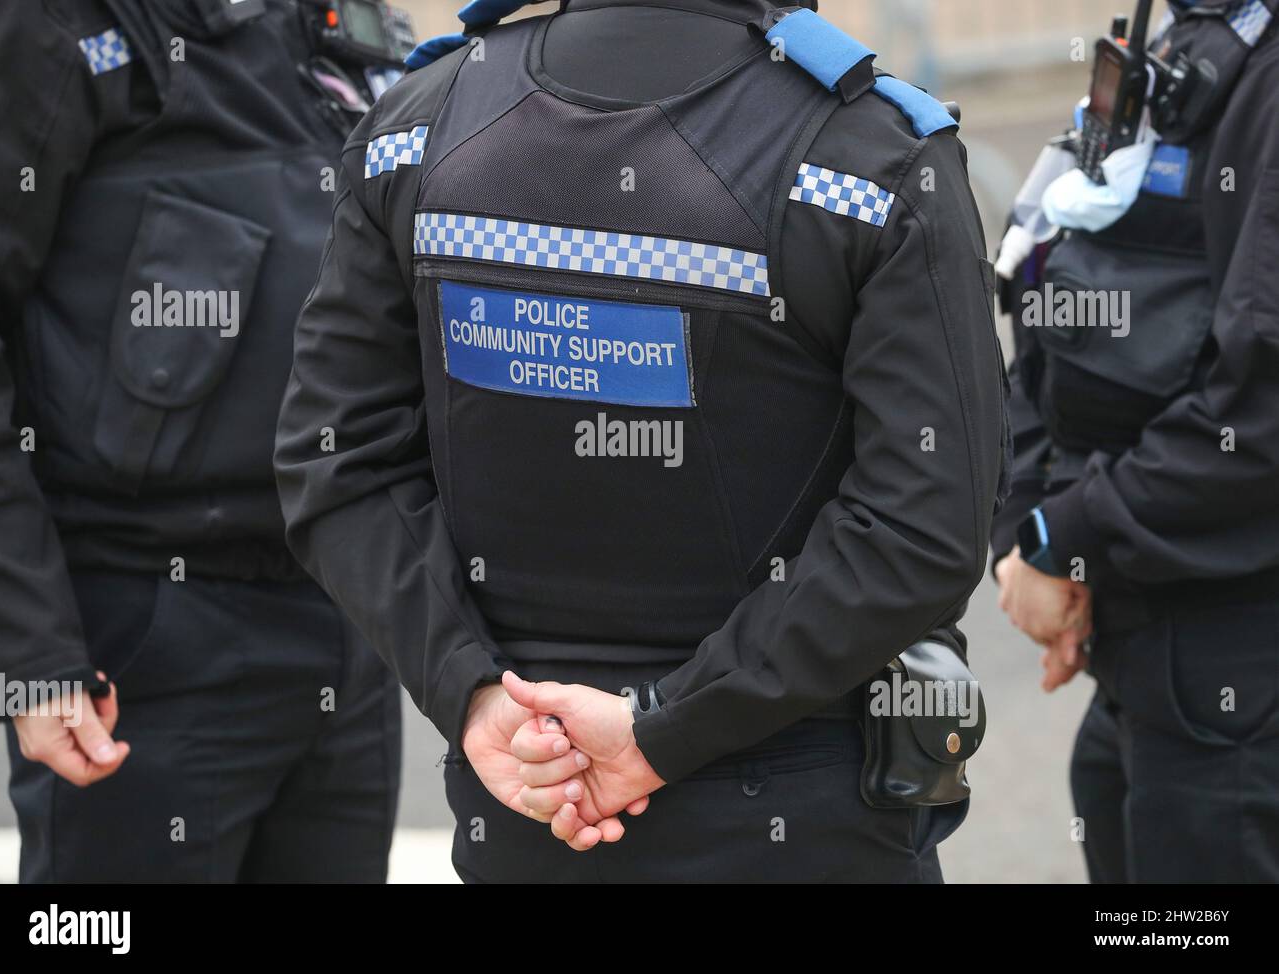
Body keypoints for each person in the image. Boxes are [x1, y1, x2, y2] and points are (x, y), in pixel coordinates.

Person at [276, 0, 1006, 883]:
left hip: (529, 793)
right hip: (799, 810)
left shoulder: (416, 125)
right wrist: (661, 727)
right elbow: (924, 525)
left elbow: (336, 455)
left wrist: (471, 694)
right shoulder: (873, 155)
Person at [0, 0, 402, 882]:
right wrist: (27, 654)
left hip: (349, 616)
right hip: (141, 642)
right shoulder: (49, 25)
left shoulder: (325, 19)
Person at [992, 0, 1279, 882]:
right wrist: (1030, 528)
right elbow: (1047, 280)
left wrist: (1063, 540)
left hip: (1229, 654)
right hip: (1144, 648)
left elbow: (1258, 415)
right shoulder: (1194, 35)